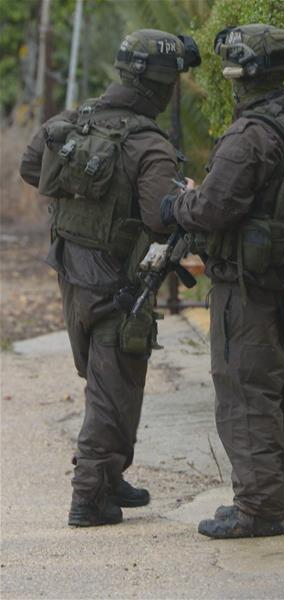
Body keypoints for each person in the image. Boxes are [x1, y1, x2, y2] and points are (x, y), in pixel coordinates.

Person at [19, 30, 200, 527]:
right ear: (161, 87)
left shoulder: (74, 120)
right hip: (120, 282)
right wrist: (186, 194)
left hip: (72, 273)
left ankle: (111, 474)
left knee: (107, 380)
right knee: (112, 385)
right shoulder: (148, 144)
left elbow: (32, 165)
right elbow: (161, 217)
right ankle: (90, 495)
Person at [160, 24, 284, 539]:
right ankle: (274, 500)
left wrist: (176, 203)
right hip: (282, 281)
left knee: (244, 390)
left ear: (242, 72)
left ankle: (260, 508)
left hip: (248, 287)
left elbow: (214, 207)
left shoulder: (251, 132)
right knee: (277, 390)